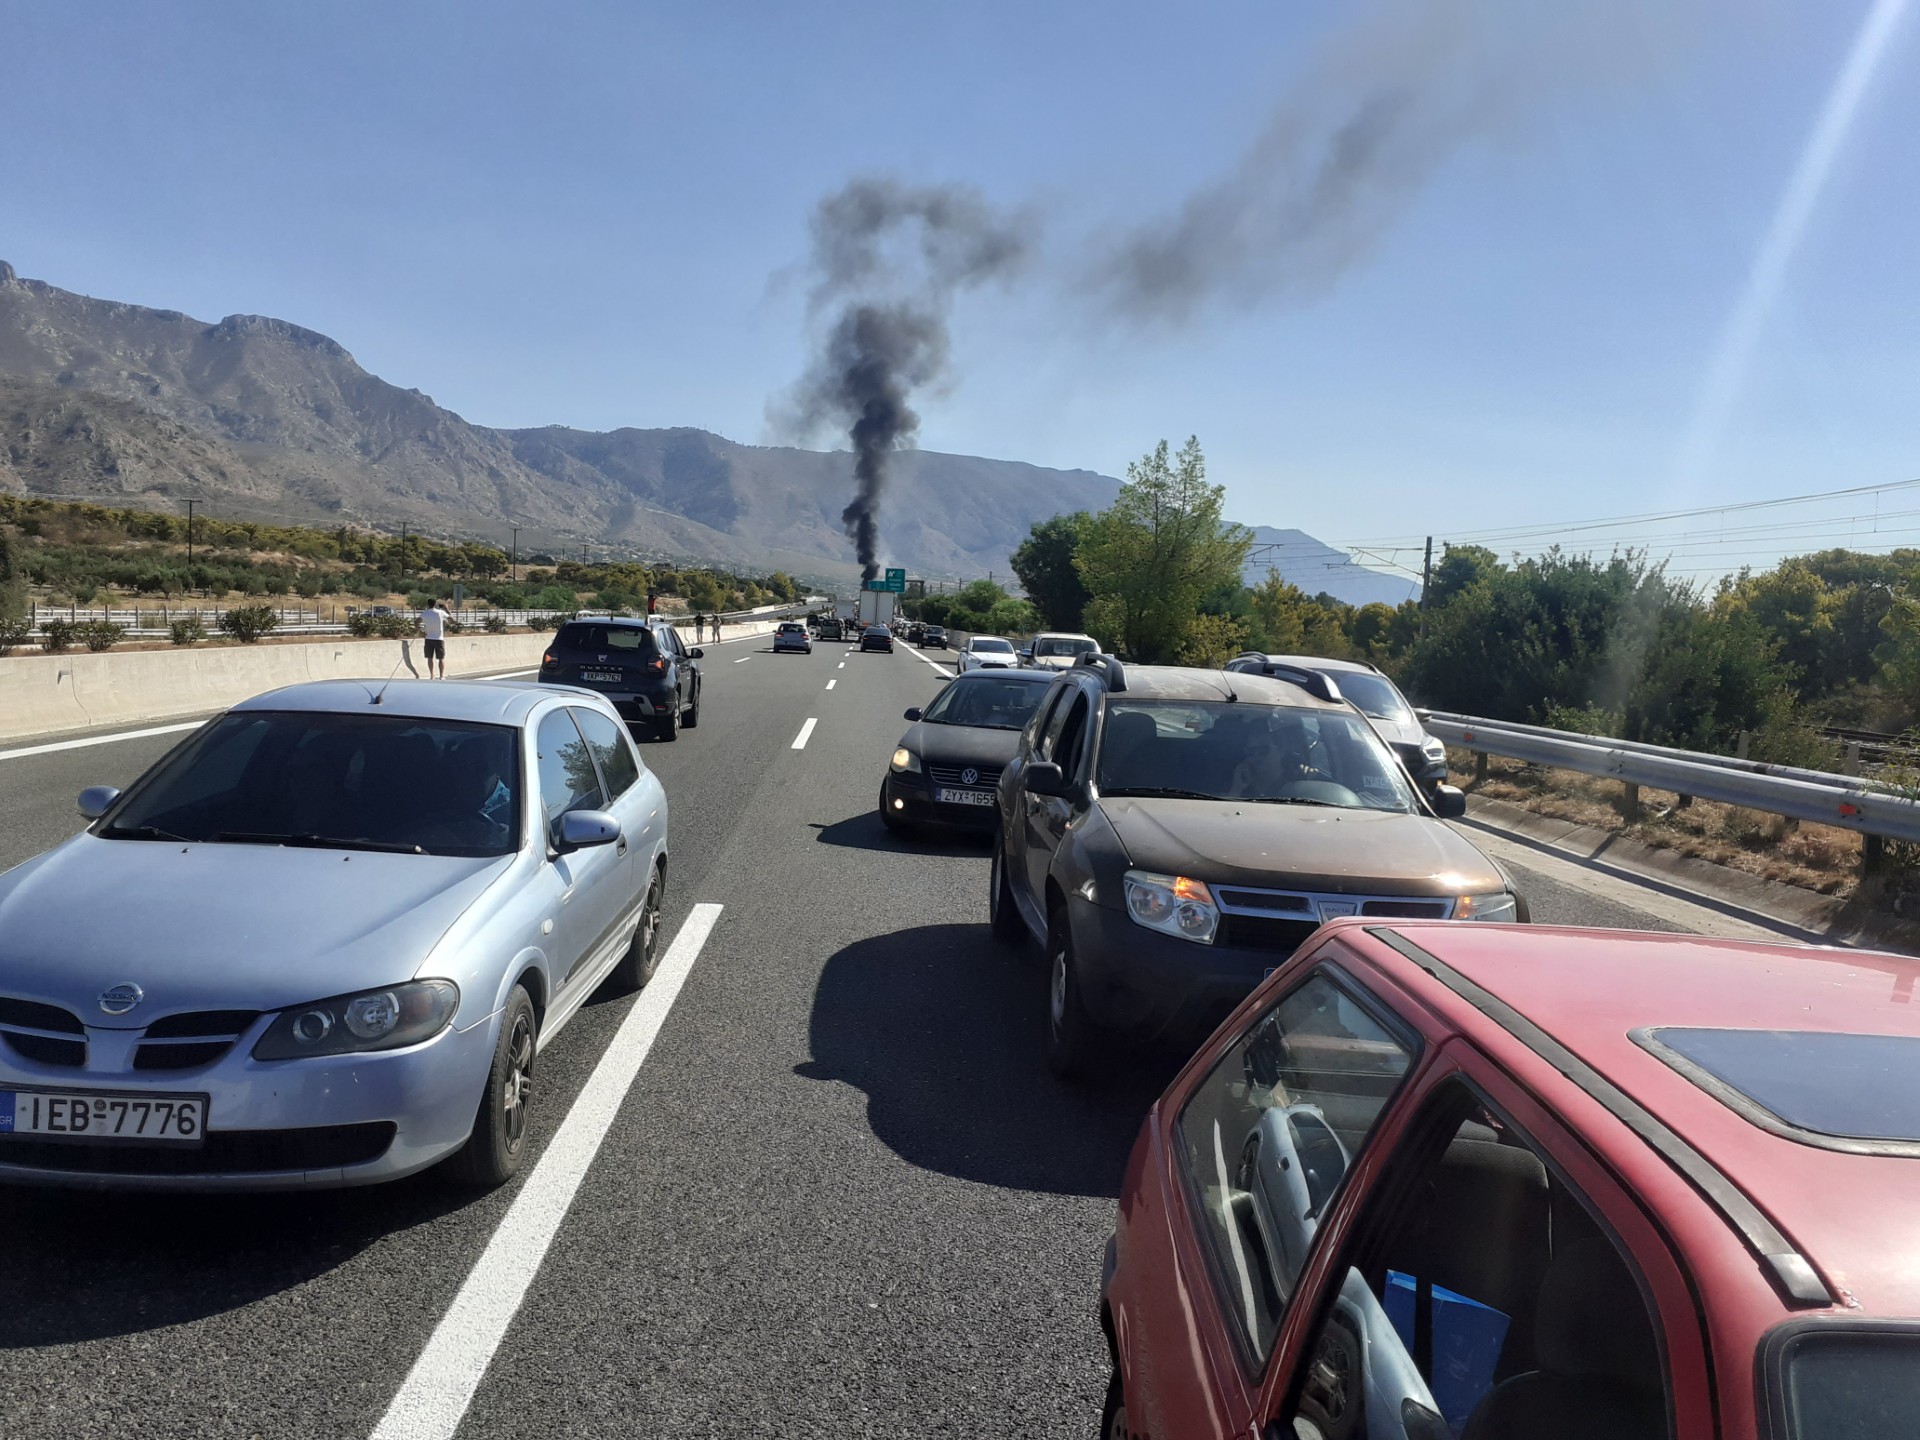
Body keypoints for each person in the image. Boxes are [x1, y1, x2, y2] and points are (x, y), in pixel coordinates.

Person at [420, 597, 447, 678]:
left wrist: (420, 631)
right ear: (435, 604)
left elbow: (416, 621)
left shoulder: (425, 614)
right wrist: (447, 609)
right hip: (439, 639)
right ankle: (441, 675)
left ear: (428, 604)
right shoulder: (440, 612)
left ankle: (432, 675)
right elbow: (451, 619)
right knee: (441, 658)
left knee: (429, 658)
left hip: (428, 638)